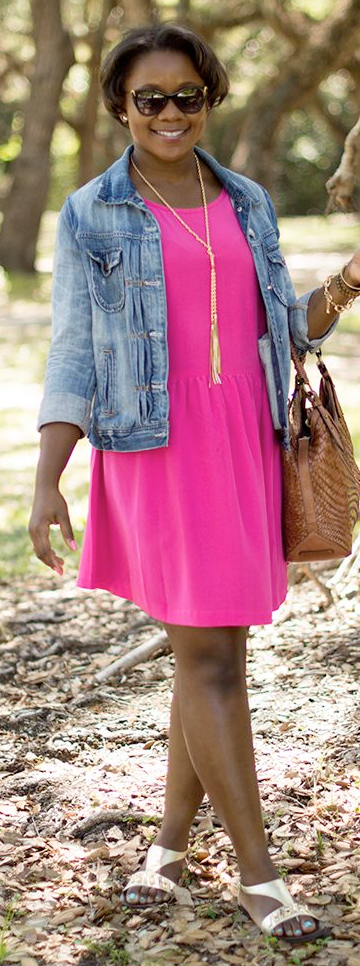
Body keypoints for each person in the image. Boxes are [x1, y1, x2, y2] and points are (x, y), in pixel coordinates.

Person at [29, 22, 360, 945]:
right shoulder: (92, 211)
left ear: (209, 98)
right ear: (119, 109)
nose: (170, 114)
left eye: (187, 97)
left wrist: (346, 283)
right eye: (149, 100)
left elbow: (287, 330)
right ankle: (262, 879)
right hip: (156, 452)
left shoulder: (246, 198)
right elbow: (72, 353)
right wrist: (48, 477)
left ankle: (168, 848)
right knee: (211, 659)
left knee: (210, 658)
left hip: (242, 445)